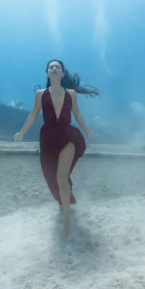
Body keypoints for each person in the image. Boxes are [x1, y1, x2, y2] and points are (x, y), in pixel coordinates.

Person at [14, 59, 99, 236]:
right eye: (51, 67)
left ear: (62, 73)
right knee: (53, 177)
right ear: (47, 72)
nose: (54, 69)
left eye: (57, 67)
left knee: (61, 177)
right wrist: (21, 132)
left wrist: (88, 131)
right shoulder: (40, 94)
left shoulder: (71, 94)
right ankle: (64, 202)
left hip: (68, 136)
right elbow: (33, 114)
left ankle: (66, 222)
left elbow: (78, 114)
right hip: (48, 138)